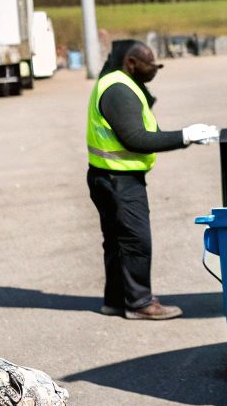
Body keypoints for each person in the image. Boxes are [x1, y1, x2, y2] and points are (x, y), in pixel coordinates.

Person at [86, 39, 218, 320]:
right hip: (119, 179)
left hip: (107, 175)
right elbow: (137, 139)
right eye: (152, 65)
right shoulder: (119, 90)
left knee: (117, 242)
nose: (156, 69)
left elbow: (147, 130)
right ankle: (140, 303)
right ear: (131, 63)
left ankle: (116, 301)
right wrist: (186, 136)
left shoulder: (121, 82)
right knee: (135, 242)